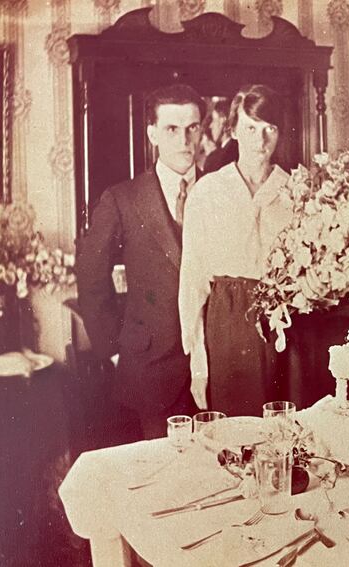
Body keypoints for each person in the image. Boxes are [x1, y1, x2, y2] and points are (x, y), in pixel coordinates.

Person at [76, 83, 204, 440]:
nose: (184, 140)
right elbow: (90, 277)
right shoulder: (124, 198)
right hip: (150, 368)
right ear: (152, 134)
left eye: (192, 128)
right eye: (172, 129)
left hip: (214, 365)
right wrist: (114, 351)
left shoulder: (217, 191)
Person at [179, 85, 291, 416]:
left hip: (284, 323)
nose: (260, 141)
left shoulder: (296, 190)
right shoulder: (208, 191)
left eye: (269, 129)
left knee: (284, 425)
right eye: (250, 128)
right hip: (228, 320)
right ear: (233, 131)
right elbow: (193, 281)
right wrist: (197, 361)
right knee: (235, 429)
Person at [202, 97, 238, 175]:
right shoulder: (240, 149)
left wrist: (211, 157)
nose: (210, 126)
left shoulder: (216, 158)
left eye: (214, 120)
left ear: (223, 121)